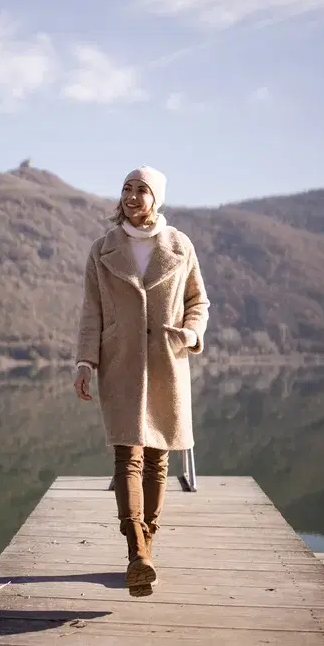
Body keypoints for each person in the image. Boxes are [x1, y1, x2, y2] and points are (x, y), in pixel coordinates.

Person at [74, 166, 210, 598]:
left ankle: (147, 546)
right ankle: (136, 551)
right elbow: (91, 310)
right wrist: (84, 362)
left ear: (158, 199)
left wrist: (190, 333)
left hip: (167, 361)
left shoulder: (180, 245)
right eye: (127, 189)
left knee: (158, 460)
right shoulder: (102, 249)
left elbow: (198, 300)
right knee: (126, 456)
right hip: (120, 362)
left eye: (142, 190)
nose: (132, 197)